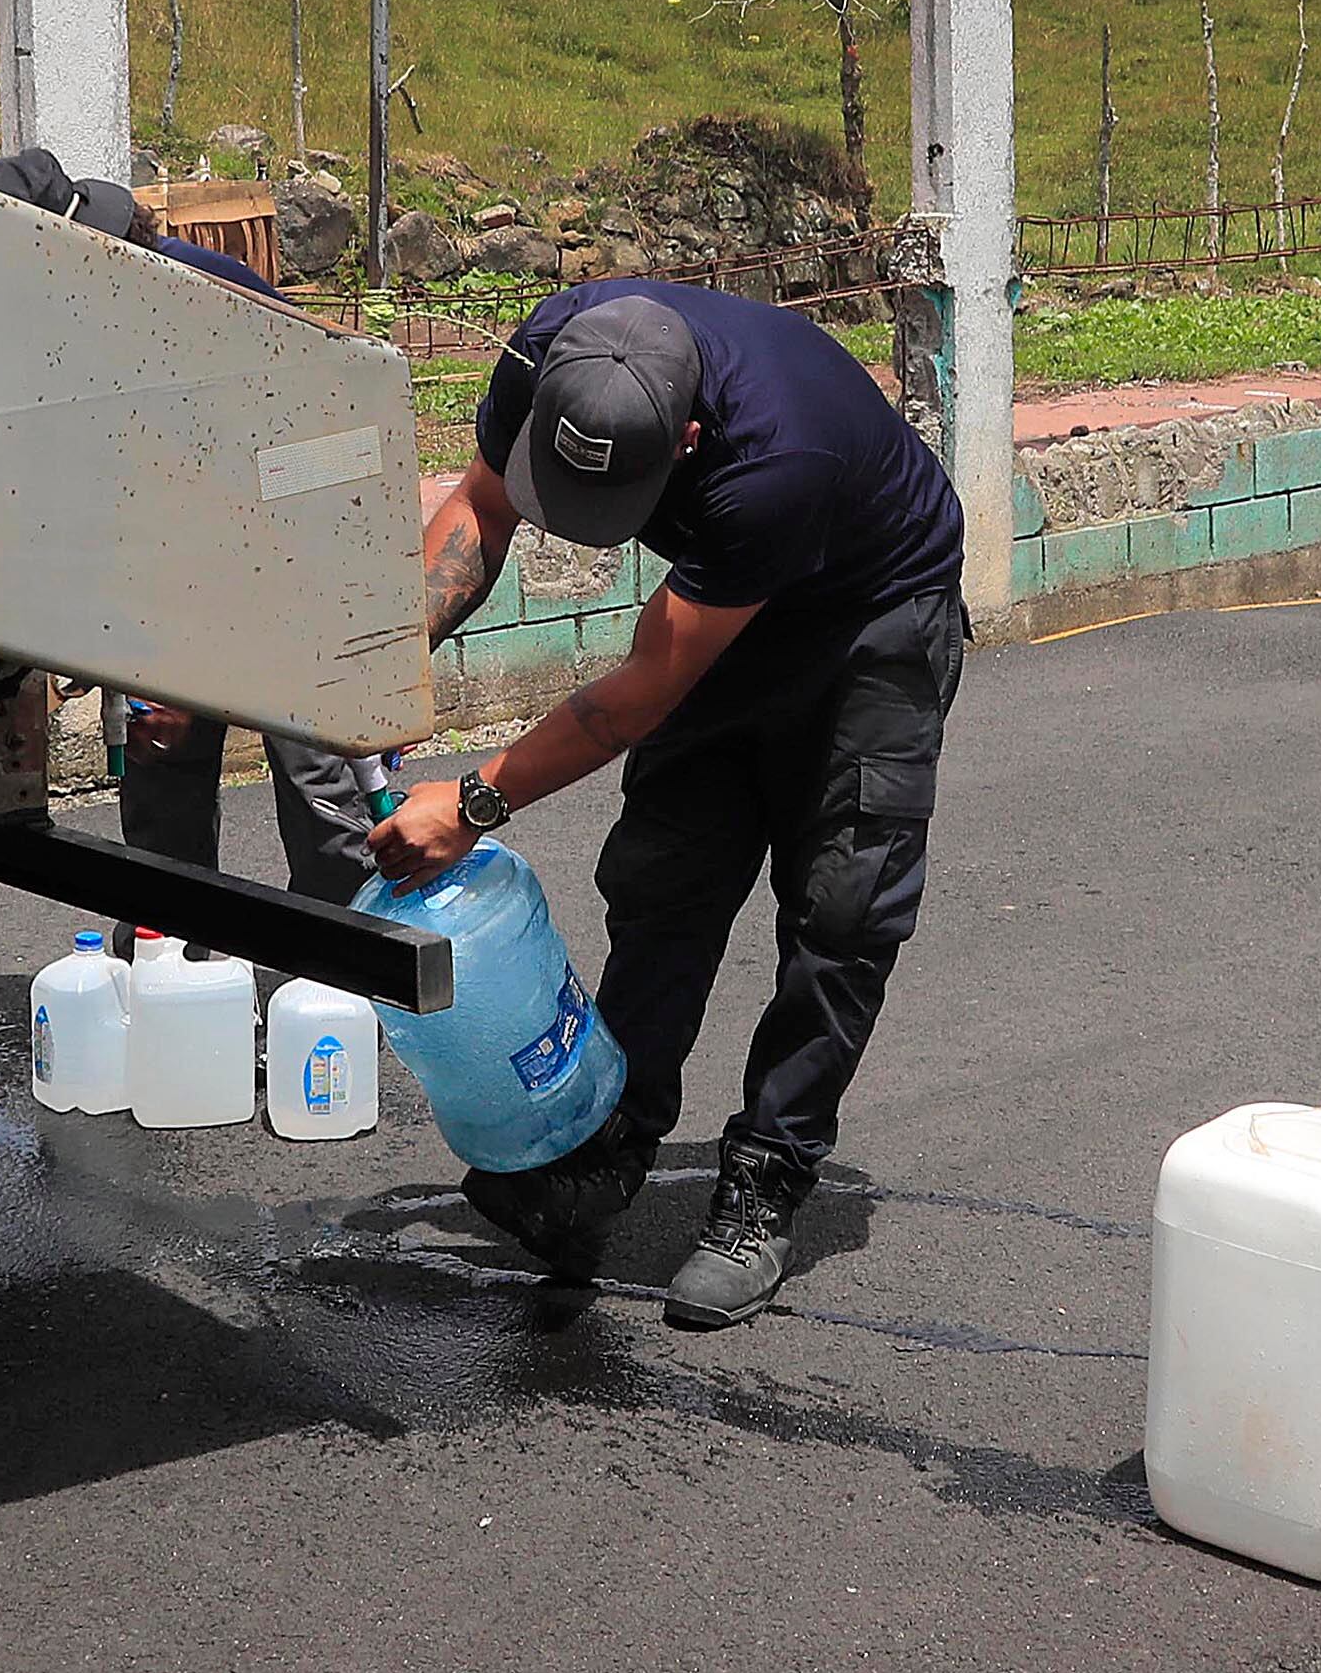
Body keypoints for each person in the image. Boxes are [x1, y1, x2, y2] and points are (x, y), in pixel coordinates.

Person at [366, 282, 967, 1326]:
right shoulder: (546, 356)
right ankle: (605, 1150)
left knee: (841, 910)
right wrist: (378, 673)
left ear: (685, 438)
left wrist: (468, 802)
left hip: (866, 627)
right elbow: (482, 507)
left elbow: (638, 694)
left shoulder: (779, 458)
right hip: (711, 606)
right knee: (663, 882)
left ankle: (766, 1181)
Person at [0, 149, 378, 908]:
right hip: (183, 556)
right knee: (159, 795)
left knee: (323, 798)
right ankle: (169, 975)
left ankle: (335, 993)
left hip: (297, 548)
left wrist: (199, 642)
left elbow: (296, 458)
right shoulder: (60, 339)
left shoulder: (198, 299)